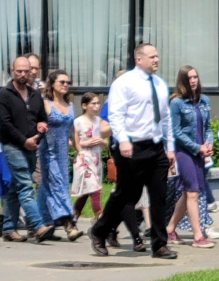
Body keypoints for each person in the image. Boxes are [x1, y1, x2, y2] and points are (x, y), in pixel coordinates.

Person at [89, 43, 177, 259]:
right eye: (152, 56)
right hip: (131, 147)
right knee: (127, 194)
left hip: (155, 147)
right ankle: (99, 231)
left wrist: (170, 147)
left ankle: (159, 245)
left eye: (157, 56)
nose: (156, 60)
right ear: (139, 59)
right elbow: (116, 115)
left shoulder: (160, 84)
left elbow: (166, 118)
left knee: (159, 196)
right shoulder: (124, 83)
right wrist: (123, 140)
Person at [0, 56, 54, 243]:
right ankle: (38, 226)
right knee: (26, 185)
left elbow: (42, 119)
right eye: (19, 71)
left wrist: (39, 134)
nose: (22, 75)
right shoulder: (3, 95)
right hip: (12, 146)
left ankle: (9, 228)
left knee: (16, 187)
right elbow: (6, 124)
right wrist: (24, 140)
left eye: (26, 71)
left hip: (31, 145)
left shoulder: (36, 95)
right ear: (13, 70)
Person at [166, 65, 216, 249]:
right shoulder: (176, 103)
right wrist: (197, 147)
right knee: (193, 193)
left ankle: (170, 228)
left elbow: (208, 127)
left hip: (200, 152)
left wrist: (208, 144)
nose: (193, 80)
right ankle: (198, 236)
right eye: (189, 78)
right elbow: (176, 131)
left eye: (195, 77)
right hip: (185, 152)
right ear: (182, 81)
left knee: (188, 193)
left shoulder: (204, 101)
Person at [100, 70, 147, 253]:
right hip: (122, 151)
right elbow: (103, 130)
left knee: (134, 195)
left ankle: (109, 228)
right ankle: (137, 238)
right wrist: (123, 122)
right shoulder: (111, 103)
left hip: (141, 151)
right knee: (127, 195)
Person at [38, 70, 81, 241]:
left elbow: (72, 130)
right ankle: (69, 224)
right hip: (48, 151)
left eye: (67, 82)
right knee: (59, 185)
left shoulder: (69, 105)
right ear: (52, 84)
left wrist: (79, 150)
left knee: (47, 188)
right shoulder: (46, 103)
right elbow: (37, 124)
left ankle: (42, 223)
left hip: (63, 152)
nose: (65, 85)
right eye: (62, 82)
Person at [72, 92, 106, 223]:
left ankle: (74, 216)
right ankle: (101, 219)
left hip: (96, 159)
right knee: (95, 189)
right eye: (93, 103)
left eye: (98, 103)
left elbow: (105, 142)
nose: (97, 106)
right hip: (84, 159)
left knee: (88, 191)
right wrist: (84, 144)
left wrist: (101, 141)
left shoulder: (100, 122)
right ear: (85, 105)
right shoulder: (78, 122)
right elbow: (75, 142)